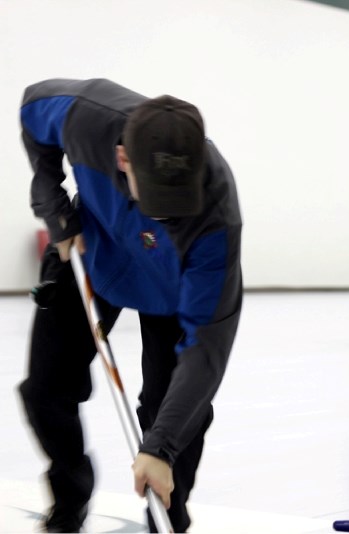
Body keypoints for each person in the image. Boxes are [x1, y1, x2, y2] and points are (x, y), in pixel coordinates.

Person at [18, 79, 243, 532]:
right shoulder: (85, 115)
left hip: (172, 286)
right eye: (161, 203)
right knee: (45, 389)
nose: (170, 217)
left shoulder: (216, 215)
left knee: (175, 414)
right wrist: (53, 205)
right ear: (123, 159)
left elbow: (206, 350)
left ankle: (167, 517)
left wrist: (158, 448)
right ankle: (69, 496)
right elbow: (30, 109)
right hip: (94, 252)